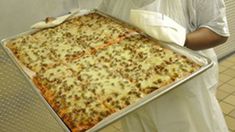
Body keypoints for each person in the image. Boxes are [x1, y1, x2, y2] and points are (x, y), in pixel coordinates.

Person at [97, 0, 230, 132]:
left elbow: (217, 32)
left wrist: (178, 39)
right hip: (133, 89)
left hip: (181, 89)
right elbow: (102, 21)